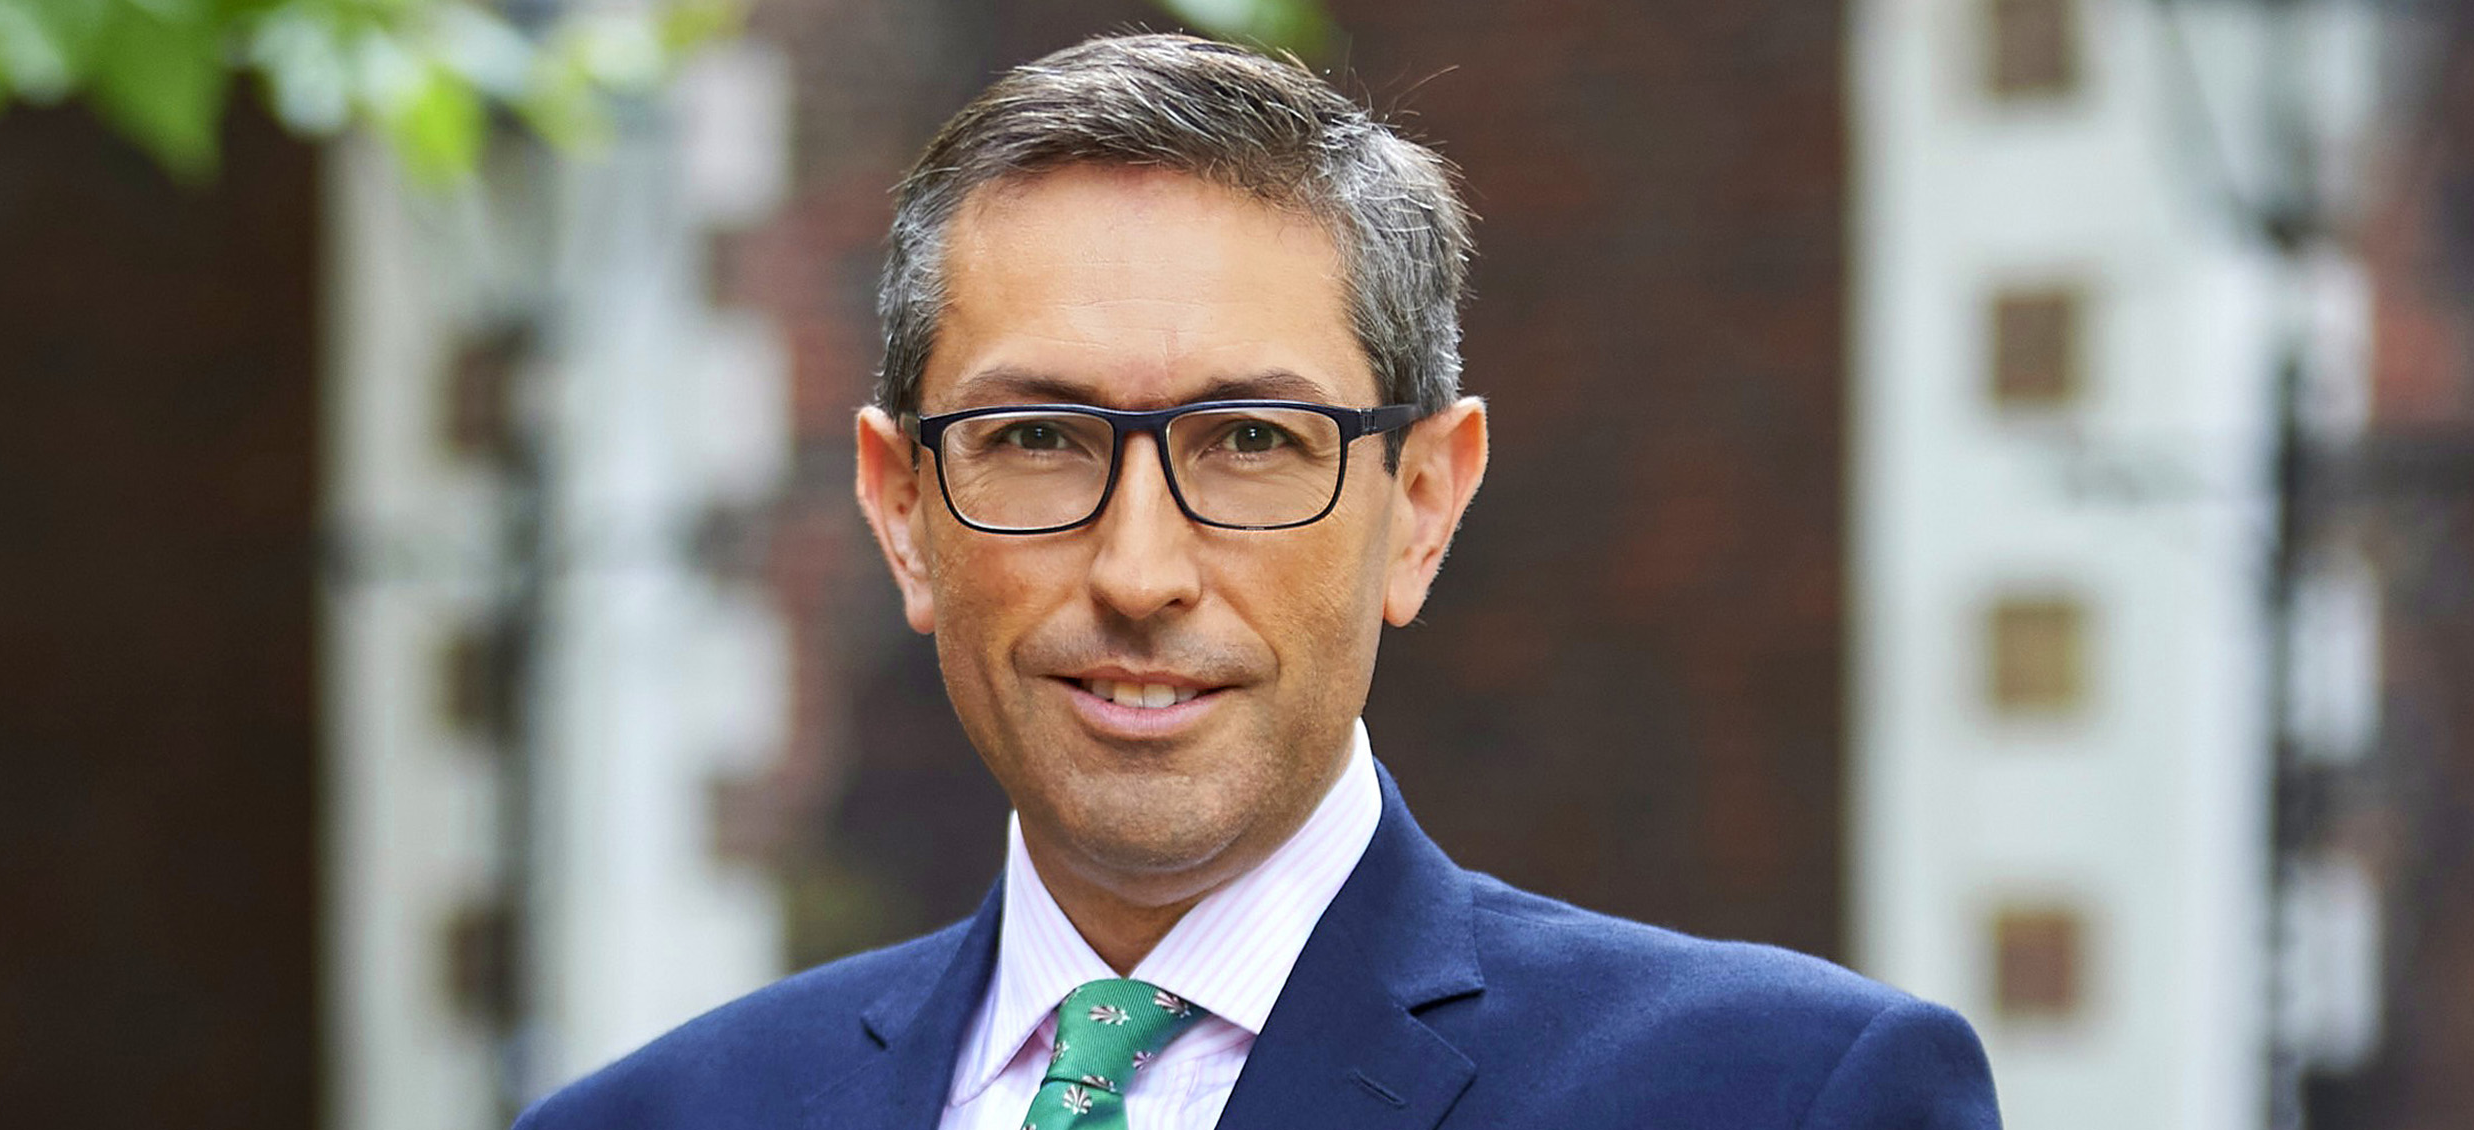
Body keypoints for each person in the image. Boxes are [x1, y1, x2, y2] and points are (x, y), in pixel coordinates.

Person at [515, 33, 2001, 1130]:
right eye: (1036, 438)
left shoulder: (1784, 1096)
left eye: (1249, 441)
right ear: (904, 512)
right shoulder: (648, 1120)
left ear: (1423, 505)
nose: (1140, 570)